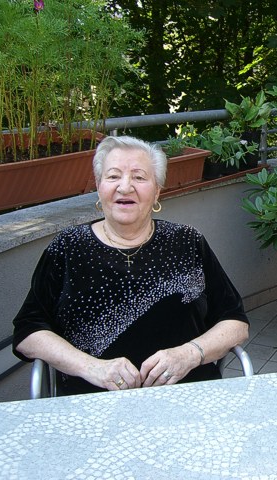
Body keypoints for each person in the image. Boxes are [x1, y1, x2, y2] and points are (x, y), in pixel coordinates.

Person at [13, 135, 249, 396]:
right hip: (93, 403)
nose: (125, 187)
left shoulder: (187, 241)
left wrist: (190, 354)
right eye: (113, 176)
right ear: (99, 187)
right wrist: (91, 367)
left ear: (157, 191)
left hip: (188, 396)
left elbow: (235, 321)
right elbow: (28, 331)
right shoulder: (68, 247)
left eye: (139, 177)